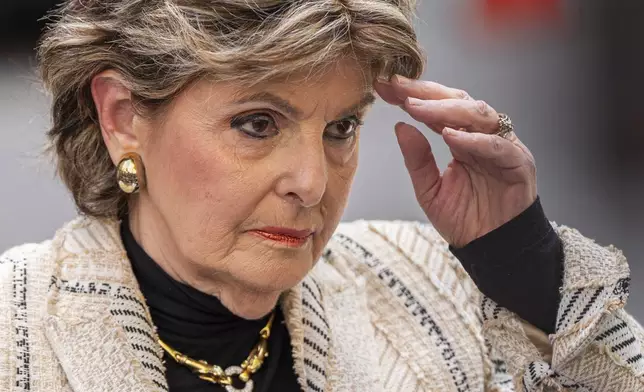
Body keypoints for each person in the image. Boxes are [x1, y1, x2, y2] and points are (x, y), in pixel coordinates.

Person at [1, 0, 641, 391]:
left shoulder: (428, 285)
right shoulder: (14, 327)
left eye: (341, 128)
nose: (311, 182)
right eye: (257, 123)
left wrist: (527, 269)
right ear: (122, 116)